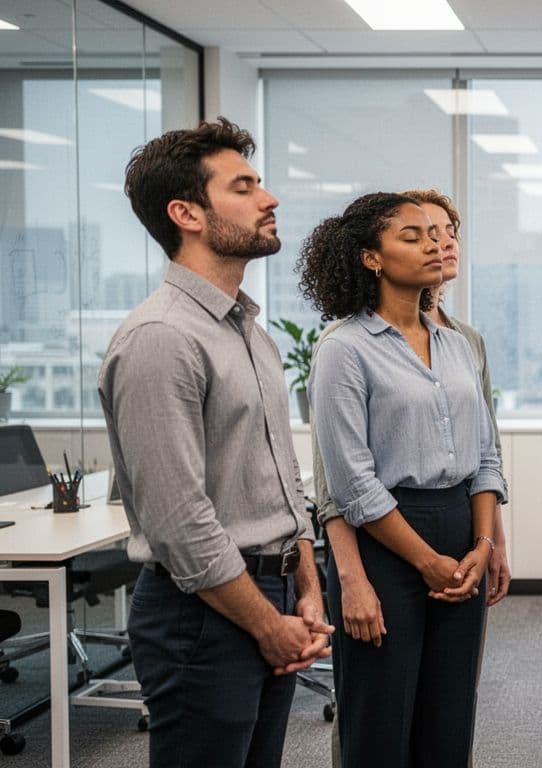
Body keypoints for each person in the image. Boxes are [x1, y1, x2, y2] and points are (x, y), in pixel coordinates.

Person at [98, 117, 332, 768]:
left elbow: (283, 477)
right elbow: (179, 521)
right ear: (186, 213)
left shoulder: (247, 332)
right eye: (244, 187)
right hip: (203, 616)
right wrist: (268, 624)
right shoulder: (161, 339)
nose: (270, 198)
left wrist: (307, 588)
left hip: (273, 595)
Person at [303, 193, 505, 768]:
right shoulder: (344, 349)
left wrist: (483, 544)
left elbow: (486, 455)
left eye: (438, 234)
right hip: (387, 539)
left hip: (462, 529)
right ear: (371, 258)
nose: (435, 243)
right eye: (413, 236)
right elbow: (352, 484)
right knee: (380, 722)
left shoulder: (457, 343)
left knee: (449, 720)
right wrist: (426, 561)